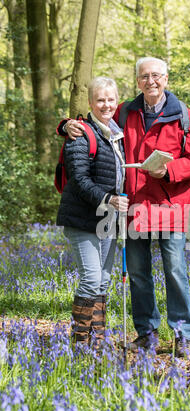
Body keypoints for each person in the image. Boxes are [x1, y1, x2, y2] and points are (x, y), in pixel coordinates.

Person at [59, 57, 190, 358]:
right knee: (138, 273)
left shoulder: (184, 116)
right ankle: (147, 333)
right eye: (144, 76)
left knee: (175, 271)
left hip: (171, 206)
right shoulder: (126, 110)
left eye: (156, 76)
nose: (150, 81)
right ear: (137, 80)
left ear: (166, 78)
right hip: (135, 205)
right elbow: (94, 118)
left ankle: (183, 336)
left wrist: (169, 171)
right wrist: (66, 125)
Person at [56, 76, 129, 351]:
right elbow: (79, 180)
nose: (106, 104)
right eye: (100, 100)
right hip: (83, 219)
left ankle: (98, 340)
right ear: (90, 102)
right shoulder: (81, 133)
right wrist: (109, 199)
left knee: (104, 280)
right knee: (91, 278)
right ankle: (79, 343)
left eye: (111, 99)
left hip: (107, 221)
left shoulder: (115, 133)